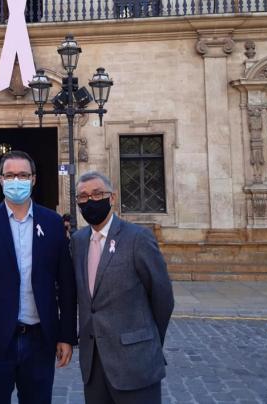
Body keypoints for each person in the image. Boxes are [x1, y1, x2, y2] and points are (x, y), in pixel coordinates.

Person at [0, 150, 77, 404]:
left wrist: (66, 336)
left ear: (33, 179)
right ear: (1, 180)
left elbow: (66, 284)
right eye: (10, 175)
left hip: (40, 340)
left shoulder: (52, 223)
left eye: (23, 175)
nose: (17, 180)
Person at [71, 171, 174, 404]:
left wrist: (147, 341)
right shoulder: (78, 242)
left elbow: (163, 297)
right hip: (94, 364)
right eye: (83, 197)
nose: (90, 201)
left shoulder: (138, 238)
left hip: (135, 362)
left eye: (97, 194)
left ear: (112, 197)